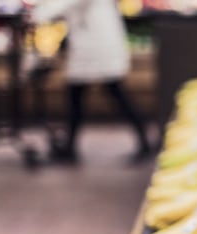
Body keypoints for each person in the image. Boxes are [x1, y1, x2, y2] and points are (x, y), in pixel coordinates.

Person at [31, 0, 153, 164]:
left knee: (111, 94)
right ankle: (70, 146)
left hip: (98, 47)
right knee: (80, 96)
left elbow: (65, 5)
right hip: (92, 47)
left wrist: (38, 13)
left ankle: (144, 140)